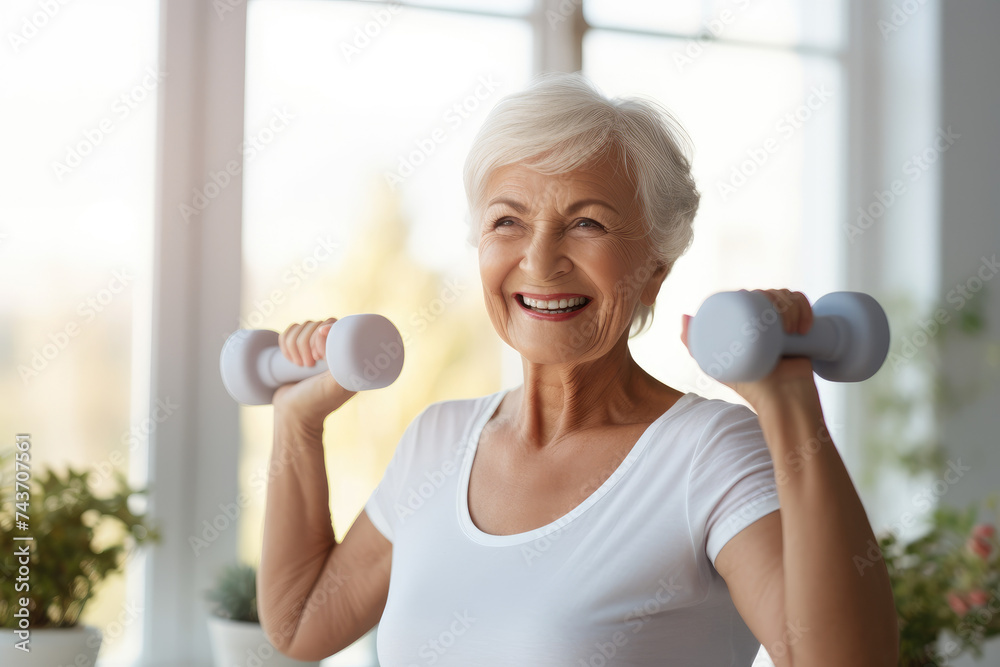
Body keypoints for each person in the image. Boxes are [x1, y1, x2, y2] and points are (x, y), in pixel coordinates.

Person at [256, 72, 898, 665]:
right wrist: (298, 421)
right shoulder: (438, 440)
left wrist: (788, 403)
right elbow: (301, 624)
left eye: (586, 222)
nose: (540, 260)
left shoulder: (708, 452)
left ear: (655, 269)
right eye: (508, 221)